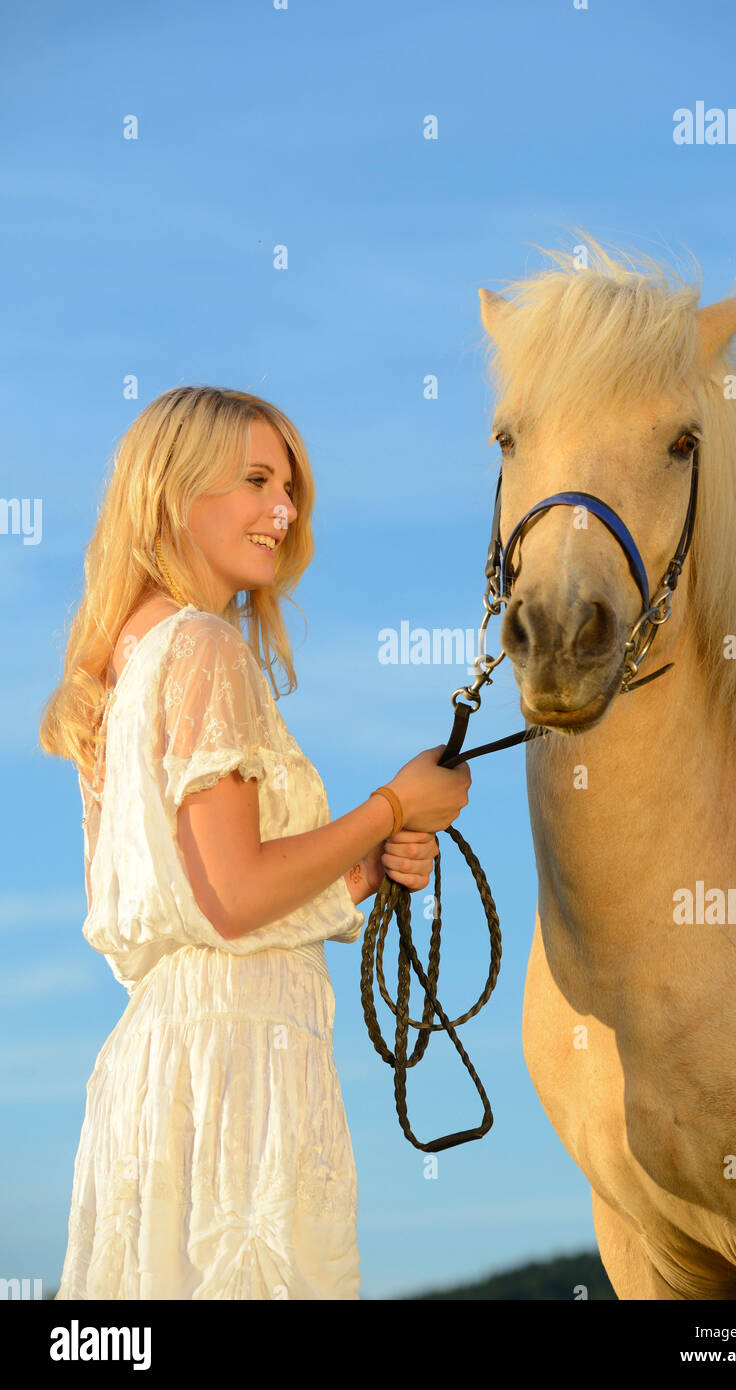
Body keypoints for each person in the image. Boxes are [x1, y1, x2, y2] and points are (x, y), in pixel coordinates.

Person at [39, 385, 471, 1299]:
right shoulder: (203, 649)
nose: (284, 510)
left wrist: (357, 873)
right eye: (256, 482)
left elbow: (202, 902)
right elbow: (233, 896)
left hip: (166, 1061)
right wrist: (392, 806)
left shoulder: (129, 659)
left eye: (290, 490)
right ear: (172, 492)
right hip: (238, 1064)